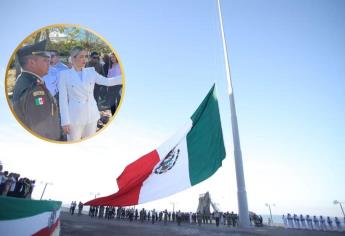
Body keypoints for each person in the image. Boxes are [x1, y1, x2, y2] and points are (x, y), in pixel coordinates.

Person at [58, 46, 122, 141]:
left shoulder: (91, 71)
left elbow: (107, 81)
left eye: (86, 56)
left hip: (91, 115)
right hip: (75, 118)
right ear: (73, 58)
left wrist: (124, 78)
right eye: (81, 57)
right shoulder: (64, 75)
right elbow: (62, 99)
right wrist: (65, 121)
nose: (84, 59)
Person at [12, 40, 61, 140]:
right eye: (45, 61)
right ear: (32, 62)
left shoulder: (25, 80)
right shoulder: (35, 90)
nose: (49, 64)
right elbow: (42, 128)